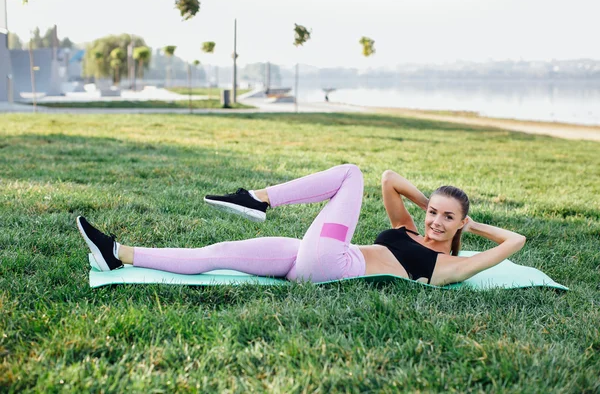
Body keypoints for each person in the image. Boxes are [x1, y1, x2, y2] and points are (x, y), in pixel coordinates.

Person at [76, 164, 526, 286]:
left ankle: (258, 199)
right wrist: (437, 204)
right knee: (219, 253)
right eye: (433, 214)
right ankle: (118, 254)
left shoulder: (448, 264)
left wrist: (471, 225)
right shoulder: (409, 228)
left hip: (336, 264)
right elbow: (391, 180)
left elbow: (517, 239)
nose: (436, 222)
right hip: (307, 261)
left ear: (461, 224)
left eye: (447, 219)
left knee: (351, 172)